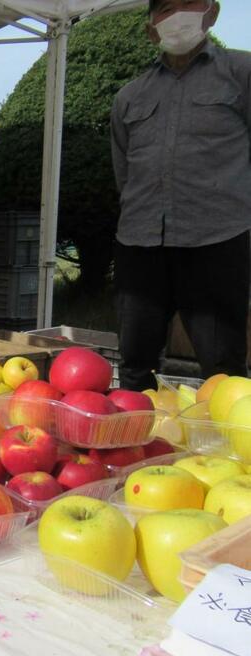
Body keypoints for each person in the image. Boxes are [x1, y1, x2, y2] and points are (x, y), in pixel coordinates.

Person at [110, 0, 250, 390]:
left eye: (189, 3)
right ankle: (135, 444)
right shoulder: (130, 97)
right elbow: (124, 170)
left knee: (223, 369)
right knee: (135, 363)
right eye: (167, 7)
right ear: (151, 28)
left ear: (212, 12)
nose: (179, 15)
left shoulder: (241, 73)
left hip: (216, 240)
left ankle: (223, 446)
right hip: (139, 242)